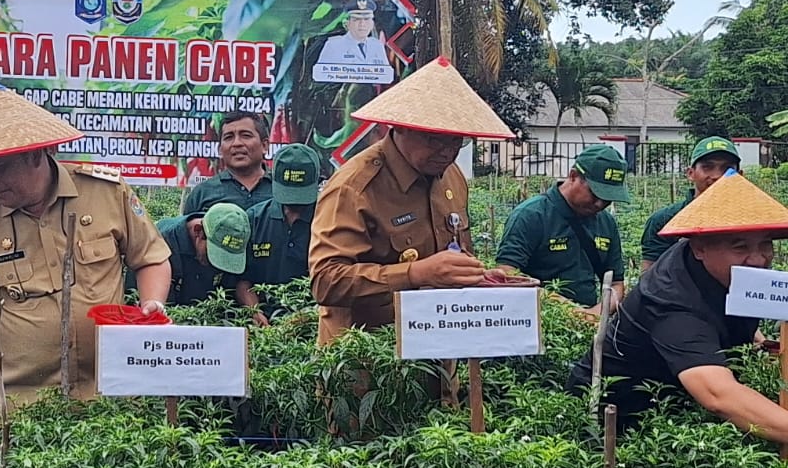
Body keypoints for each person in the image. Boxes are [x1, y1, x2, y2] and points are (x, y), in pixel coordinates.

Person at [0, 88, 172, 430]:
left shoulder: (106, 193)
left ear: (37, 154)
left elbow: (150, 257)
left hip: (108, 405)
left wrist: (152, 302)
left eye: (0, 166)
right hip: (20, 417)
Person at [309, 57, 519, 345]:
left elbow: (453, 252)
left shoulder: (451, 177)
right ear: (401, 127)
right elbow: (326, 280)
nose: (448, 151)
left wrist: (476, 277)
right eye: (435, 139)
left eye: (458, 141)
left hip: (440, 352)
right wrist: (415, 272)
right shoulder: (354, 188)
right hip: (371, 365)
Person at [570, 171, 788, 441]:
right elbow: (718, 395)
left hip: (680, 406)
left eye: (765, 245)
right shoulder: (670, 301)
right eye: (740, 246)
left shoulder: (733, 275)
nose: (758, 259)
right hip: (623, 428)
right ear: (699, 248)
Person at [495, 144, 628, 316]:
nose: (600, 204)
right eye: (595, 194)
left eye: (608, 199)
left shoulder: (606, 223)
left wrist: (596, 314)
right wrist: (569, 310)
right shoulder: (531, 215)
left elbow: (616, 283)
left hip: (590, 324)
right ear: (573, 176)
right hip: (538, 320)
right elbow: (506, 274)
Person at [236, 144, 322, 323]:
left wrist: (311, 315)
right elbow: (242, 278)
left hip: (315, 320)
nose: (295, 205)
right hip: (265, 322)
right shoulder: (253, 220)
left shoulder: (328, 220)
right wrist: (254, 311)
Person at [641, 136, 740, 271]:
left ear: (740, 175)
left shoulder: (753, 219)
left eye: (727, 168)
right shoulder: (664, 220)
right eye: (707, 167)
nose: (717, 175)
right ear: (690, 173)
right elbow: (650, 278)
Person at [180, 111, 272, 218]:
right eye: (229, 137)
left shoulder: (281, 190)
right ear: (220, 150)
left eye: (246, 136)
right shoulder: (202, 194)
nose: (237, 143)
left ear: (264, 146)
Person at [157, 204, 250, 307]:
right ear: (198, 231)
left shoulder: (233, 233)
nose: (216, 264)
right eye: (212, 253)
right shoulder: (161, 243)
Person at [315, 0, 390, 67]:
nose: (362, 24)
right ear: (347, 24)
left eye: (366, 19)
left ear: (372, 24)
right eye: (356, 19)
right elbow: (320, 74)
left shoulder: (377, 45)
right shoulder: (333, 45)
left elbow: (386, 75)